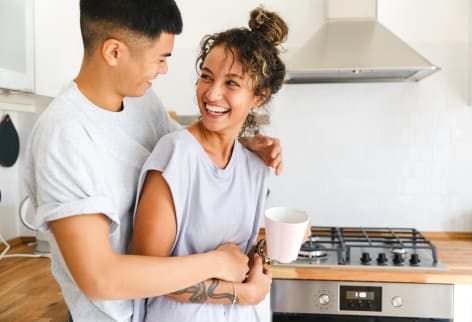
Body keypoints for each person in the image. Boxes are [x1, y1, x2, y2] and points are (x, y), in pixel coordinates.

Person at [23, 1, 283, 321]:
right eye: (160, 58)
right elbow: (101, 278)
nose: (164, 69)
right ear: (114, 52)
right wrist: (219, 268)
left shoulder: (140, 102)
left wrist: (243, 144)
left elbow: (192, 150)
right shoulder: (64, 137)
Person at [130, 6, 289, 322]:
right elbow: (146, 273)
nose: (211, 93)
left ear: (259, 96)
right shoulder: (175, 155)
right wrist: (238, 293)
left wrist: (271, 244)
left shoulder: (256, 167)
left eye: (232, 83)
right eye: (206, 76)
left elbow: (240, 258)